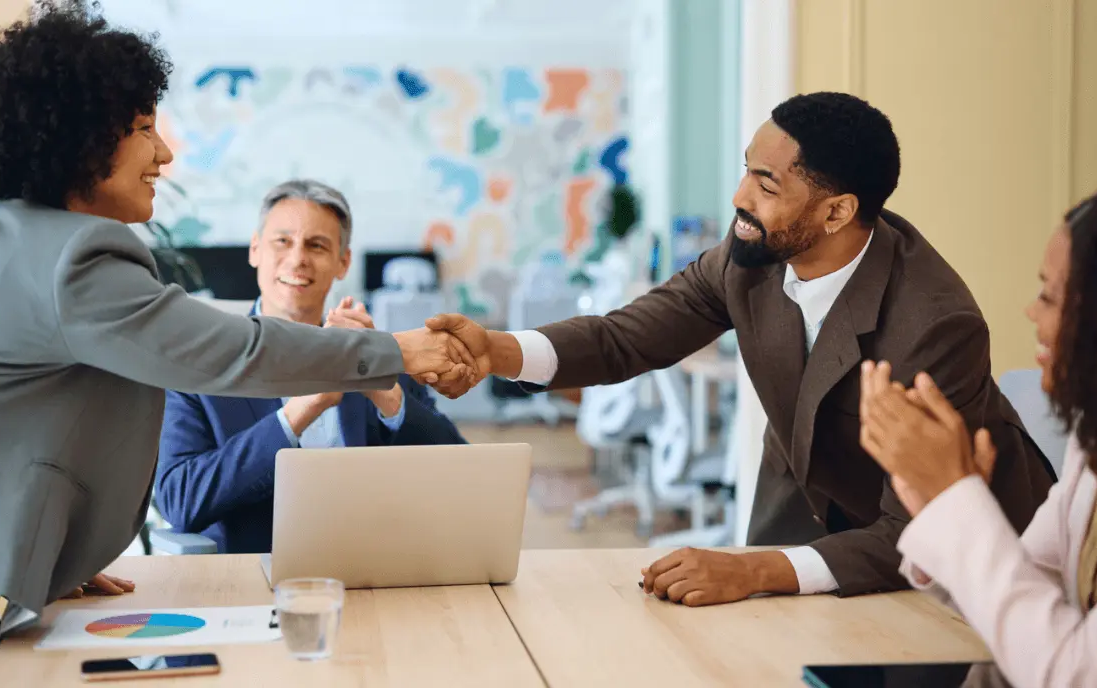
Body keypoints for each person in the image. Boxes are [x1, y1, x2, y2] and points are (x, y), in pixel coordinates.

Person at [0, 7, 474, 687]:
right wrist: (399, 350)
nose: (165, 153)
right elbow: (236, 353)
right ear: (82, 137)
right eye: (143, 129)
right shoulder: (75, 258)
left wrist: (36, 552)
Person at [427, 91, 1055, 606]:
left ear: (836, 212)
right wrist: (496, 351)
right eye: (745, 169)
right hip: (807, 517)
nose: (738, 198)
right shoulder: (748, 258)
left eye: (766, 183)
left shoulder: (935, 323)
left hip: (959, 566)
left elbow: (915, 527)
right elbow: (625, 337)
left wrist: (752, 571)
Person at [859, 166, 1097, 688]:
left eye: (1050, 297)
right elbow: (1024, 613)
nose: (1031, 312)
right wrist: (938, 506)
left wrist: (956, 501)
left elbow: (1077, 676)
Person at [156, 180, 467, 553]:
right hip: (252, 579)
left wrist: (384, 389)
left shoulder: (378, 354)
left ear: (343, 262)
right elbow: (180, 501)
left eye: (317, 245)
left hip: (376, 571)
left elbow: (457, 472)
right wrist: (298, 413)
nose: (298, 258)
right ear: (256, 249)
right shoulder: (197, 363)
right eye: (283, 241)